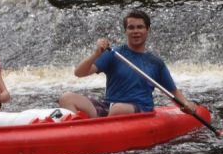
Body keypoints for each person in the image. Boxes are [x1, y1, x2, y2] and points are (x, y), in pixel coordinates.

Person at [58, 9, 197, 118]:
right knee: (67, 98)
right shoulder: (113, 54)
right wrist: (96, 54)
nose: (135, 31)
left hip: (139, 108)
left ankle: (99, 129)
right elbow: (79, 73)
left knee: (119, 109)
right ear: (126, 31)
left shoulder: (156, 63)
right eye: (131, 28)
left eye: (140, 27)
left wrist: (186, 104)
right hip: (110, 106)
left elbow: (173, 91)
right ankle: (79, 128)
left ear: (147, 30)